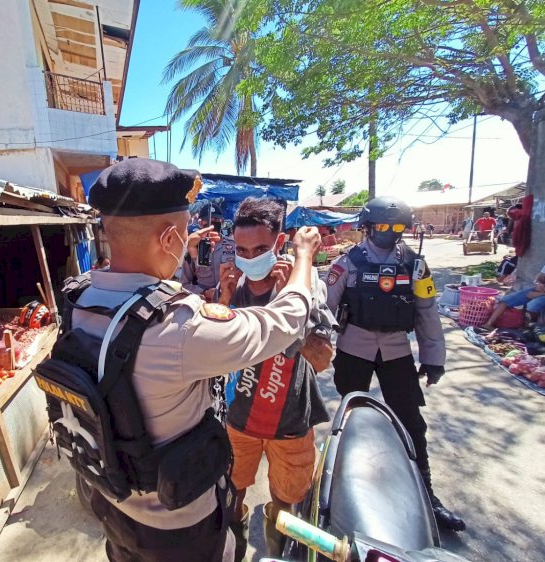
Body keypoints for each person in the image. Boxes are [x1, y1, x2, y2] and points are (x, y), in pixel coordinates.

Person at [73, 158, 322, 562]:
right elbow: (286, 321)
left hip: (111, 504)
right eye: (186, 230)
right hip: (178, 527)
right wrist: (305, 259)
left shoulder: (82, 300)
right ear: (171, 237)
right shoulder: (180, 326)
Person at [325, 196, 466, 532]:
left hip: (396, 350)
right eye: (382, 226)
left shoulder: (415, 266)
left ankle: (427, 496)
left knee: (411, 423)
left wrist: (434, 358)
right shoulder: (347, 264)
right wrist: (311, 347)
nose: (388, 232)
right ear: (368, 227)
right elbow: (325, 308)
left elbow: (427, 312)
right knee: (349, 419)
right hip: (354, 348)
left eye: (396, 227)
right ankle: (338, 491)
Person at [214, 197, 335, 560]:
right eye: (243, 249)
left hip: (291, 422)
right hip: (239, 421)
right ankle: (234, 545)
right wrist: (222, 299)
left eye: (261, 248)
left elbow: (322, 360)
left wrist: (291, 308)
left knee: (287, 505)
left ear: (280, 244)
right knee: (231, 496)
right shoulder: (232, 289)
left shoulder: (307, 286)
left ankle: (277, 541)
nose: (251, 257)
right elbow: (217, 354)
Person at [180, 204, 236, 300]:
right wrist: (203, 292)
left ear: (222, 222)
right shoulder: (193, 248)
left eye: (216, 220)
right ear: (200, 223)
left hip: (231, 299)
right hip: (204, 301)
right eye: (208, 221)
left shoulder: (234, 246)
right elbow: (184, 284)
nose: (212, 225)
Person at [481, 265, 545, 330]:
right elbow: (539, 277)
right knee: (506, 300)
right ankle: (488, 324)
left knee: (532, 305)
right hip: (540, 290)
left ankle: (531, 327)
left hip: (542, 293)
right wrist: (538, 284)